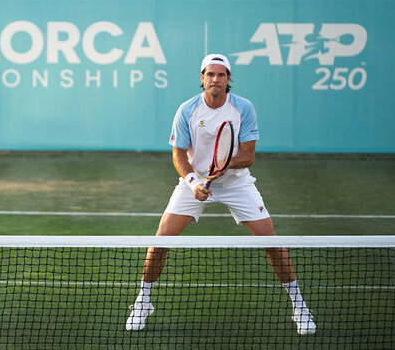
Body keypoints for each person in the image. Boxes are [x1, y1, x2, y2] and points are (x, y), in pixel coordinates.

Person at [125, 54, 317, 336]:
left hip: (237, 185)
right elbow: (178, 155)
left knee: (273, 244)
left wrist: (222, 167)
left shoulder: (243, 108)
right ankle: (143, 301)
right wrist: (193, 183)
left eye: (221, 75)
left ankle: (299, 305)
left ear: (229, 80)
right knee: (160, 242)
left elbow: (248, 156)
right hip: (195, 183)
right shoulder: (187, 110)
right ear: (202, 79)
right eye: (210, 75)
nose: (215, 79)